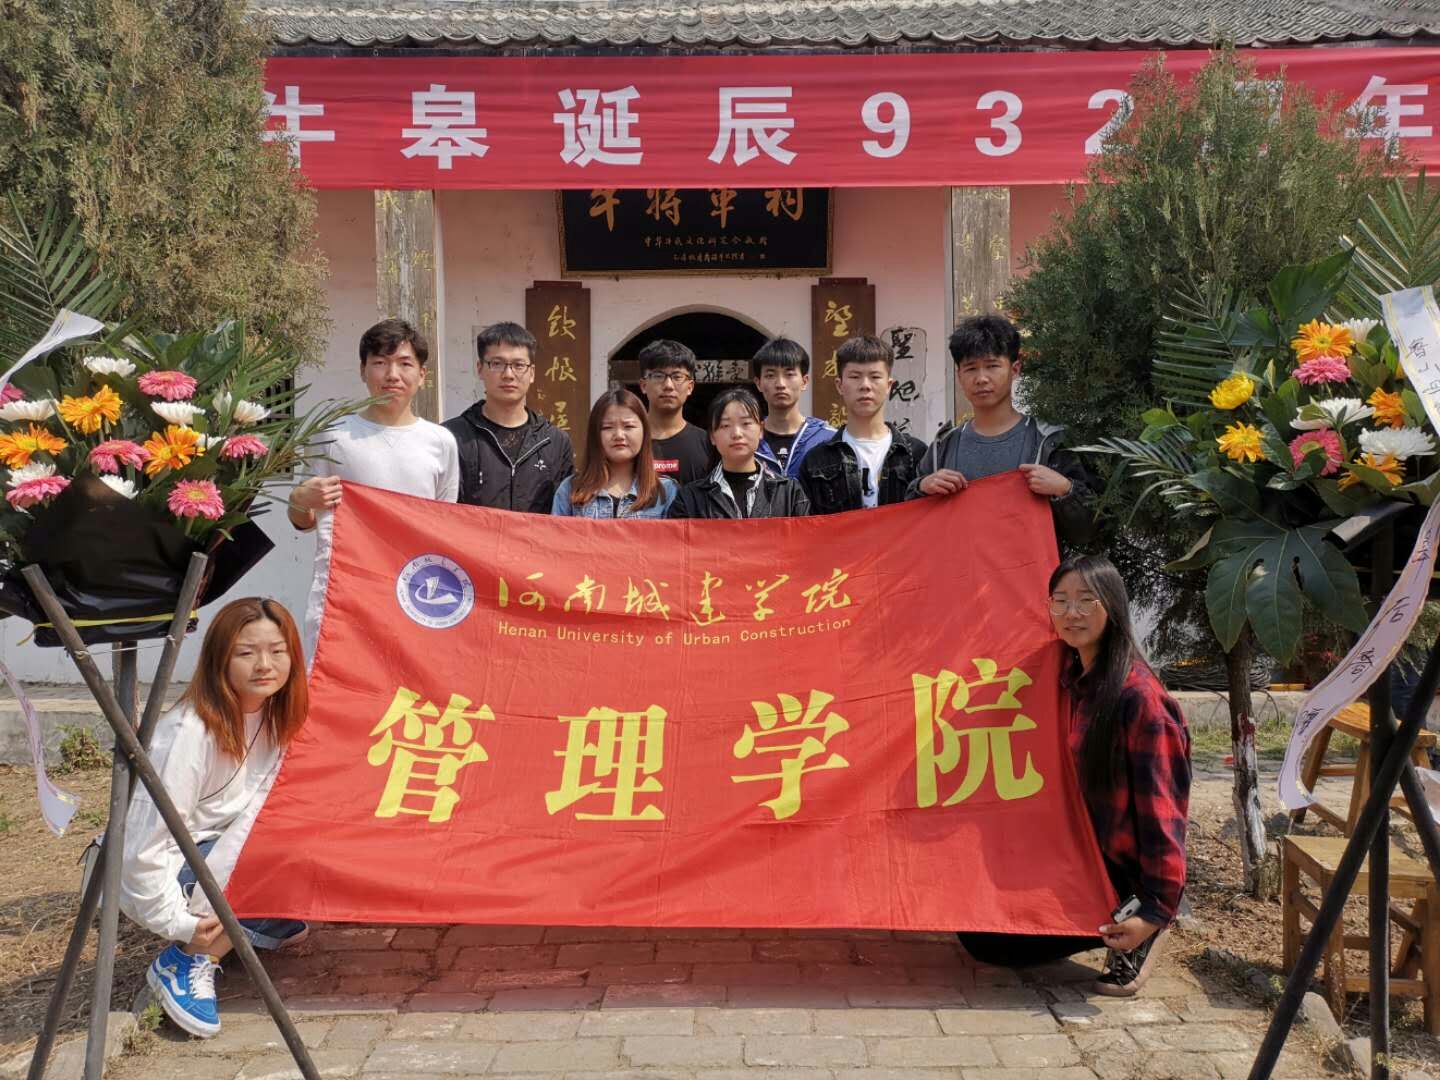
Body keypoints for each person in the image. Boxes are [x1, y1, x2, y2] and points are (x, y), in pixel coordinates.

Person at [958, 554, 1190, 997]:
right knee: (973, 923)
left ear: (1113, 606)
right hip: (1073, 849)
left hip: (1117, 872)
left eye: (1087, 600)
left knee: (990, 942)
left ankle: (1143, 923)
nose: (1072, 613)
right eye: (1060, 601)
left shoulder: (1141, 702)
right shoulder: (1070, 675)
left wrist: (1155, 909)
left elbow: (1163, 817)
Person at [120, 598, 310, 1038]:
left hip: (224, 850)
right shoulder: (189, 732)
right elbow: (144, 847)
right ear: (219, 659)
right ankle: (188, 960)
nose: (264, 665)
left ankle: (251, 919)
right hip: (170, 866)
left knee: (309, 845)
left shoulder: (277, 713)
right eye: (246, 653)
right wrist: (181, 924)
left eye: (277, 651)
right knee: (281, 858)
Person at [289, 319, 459, 652]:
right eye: (380, 363)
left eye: (405, 364)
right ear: (363, 371)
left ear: (422, 375)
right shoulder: (332, 435)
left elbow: (446, 525)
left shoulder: (441, 442)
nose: (392, 375)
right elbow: (304, 521)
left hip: (415, 590)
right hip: (347, 587)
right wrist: (300, 499)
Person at [907, 314, 1096, 547]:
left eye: (992, 366)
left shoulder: (1049, 443)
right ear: (959, 375)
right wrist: (922, 488)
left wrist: (1065, 490)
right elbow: (911, 530)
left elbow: (1089, 533)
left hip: (1032, 569)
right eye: (971, 368)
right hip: (960, 568)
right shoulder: (942, 448)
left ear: (1014, 369)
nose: (981, 378)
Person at [443, 321, 574, 511]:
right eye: (497, 364)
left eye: (519, 365)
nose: (508, 374)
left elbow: (565, 513)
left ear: (532, 373)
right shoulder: (451, 437)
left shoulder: (555, 442)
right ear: (479, 368)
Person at [799, 335, 928, 513]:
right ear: (839, 385)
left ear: (889, 385)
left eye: (875, 377)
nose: (865, 385)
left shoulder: (916, 454)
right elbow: (807, 524)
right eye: (855, 377)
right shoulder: (816, 460)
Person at [667, 388, 810, 519]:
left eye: (746, 423)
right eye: (725, 425)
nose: (736, 433)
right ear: (712, 436)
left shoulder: (789, 493)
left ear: (761, 430)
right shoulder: (690, 498)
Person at [551, 389, 678, 518]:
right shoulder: (570, 489)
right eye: (607, 427)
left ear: (644, 431)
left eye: (628, 426)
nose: (619, 435)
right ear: (595, 435)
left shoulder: (665, 491)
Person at [751, 337, 834, 477]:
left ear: (804, 381)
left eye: (789, 374)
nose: (780, 384)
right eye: (770, 375)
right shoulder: (747, 439)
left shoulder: (828, 439)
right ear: (758, 383)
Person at [638, 339, 716, 486]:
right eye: (658, 376)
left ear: (690, 387)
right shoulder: (628, 441)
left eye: (677, 377)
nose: (668, 385)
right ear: (643, 385)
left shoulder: (707, 444)